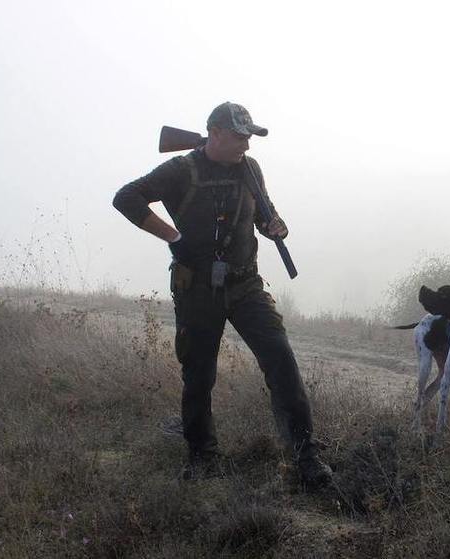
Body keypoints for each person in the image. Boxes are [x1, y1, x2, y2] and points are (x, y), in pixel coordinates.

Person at [112, 102, 332, 485]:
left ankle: (305, 455)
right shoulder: (181, 170)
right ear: (213, 133)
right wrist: (173, 236)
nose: (246, 144)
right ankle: (202, 456)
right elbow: (126, 198)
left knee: (281, 360)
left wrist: (274, 225)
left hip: (246, 284)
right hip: (196, 287)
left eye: (249, 136)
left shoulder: (250, 168)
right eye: (239, 136)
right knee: (199, 375)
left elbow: (264, 214)